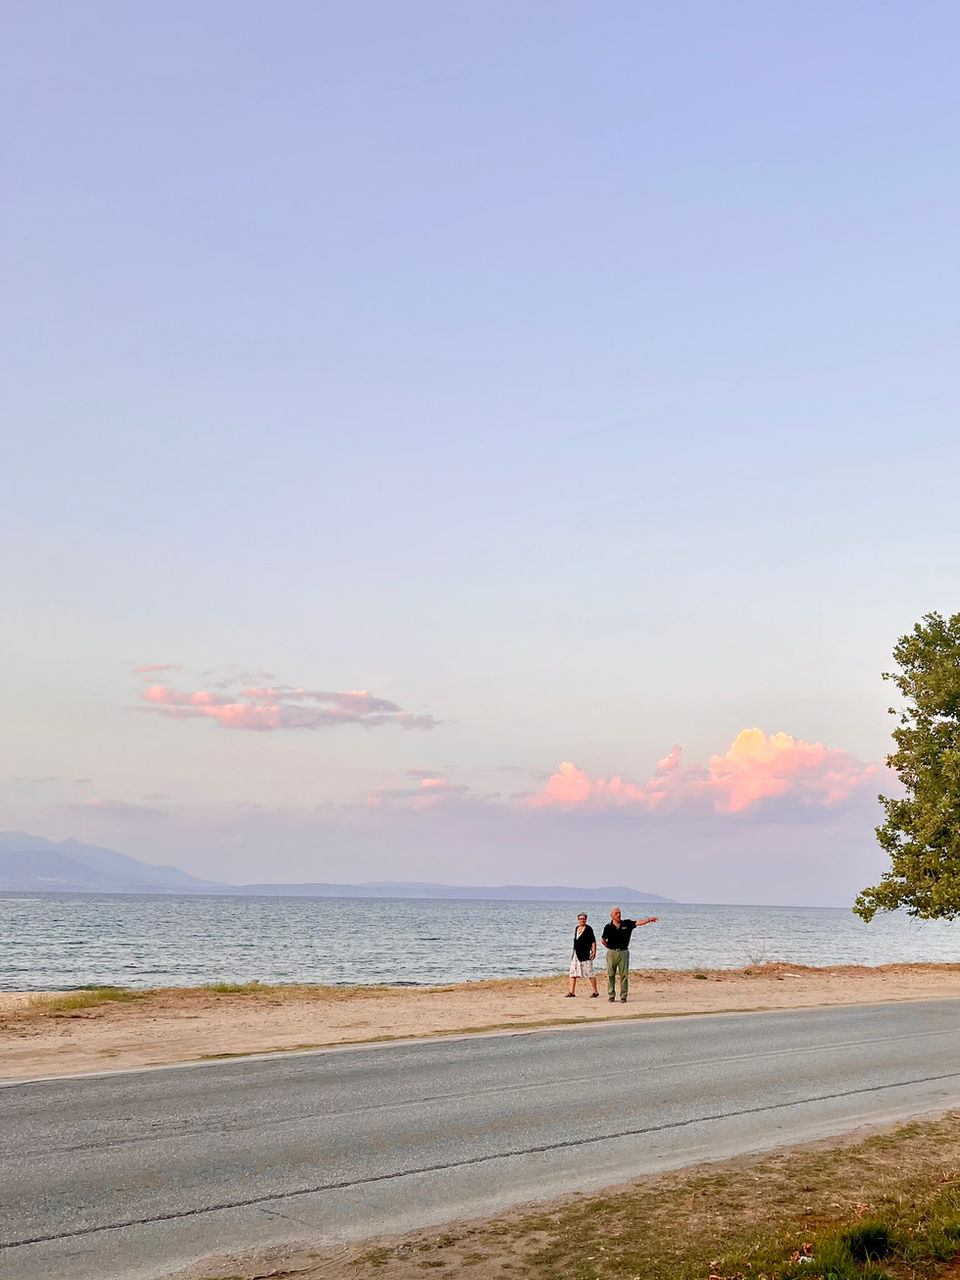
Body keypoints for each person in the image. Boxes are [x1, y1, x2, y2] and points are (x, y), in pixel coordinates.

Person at [601, 907, 658, 1003]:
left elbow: (638, 923)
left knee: (624, 975)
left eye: (619, 913)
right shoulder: (608, 927)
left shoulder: (627, 923)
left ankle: (623, 996)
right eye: (616, 913)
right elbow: (603, 941)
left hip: (624, 952)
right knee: (610, 974)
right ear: (611, 915)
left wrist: (648, 920)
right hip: (611, 952)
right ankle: (611, 995)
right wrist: (610, 949)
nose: (618, 915)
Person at [566, 912, 598, 997]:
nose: (582, 920)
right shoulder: (577, 928)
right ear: (578, 920)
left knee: (590, 973)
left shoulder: (588, 929)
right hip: (576, 954)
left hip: (585, 955)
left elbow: (593, 942)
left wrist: (594, 952)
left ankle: (595, 992)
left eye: (584, 919)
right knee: (572, 973)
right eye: (580, 919)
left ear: (586, 919)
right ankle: (571, 992)